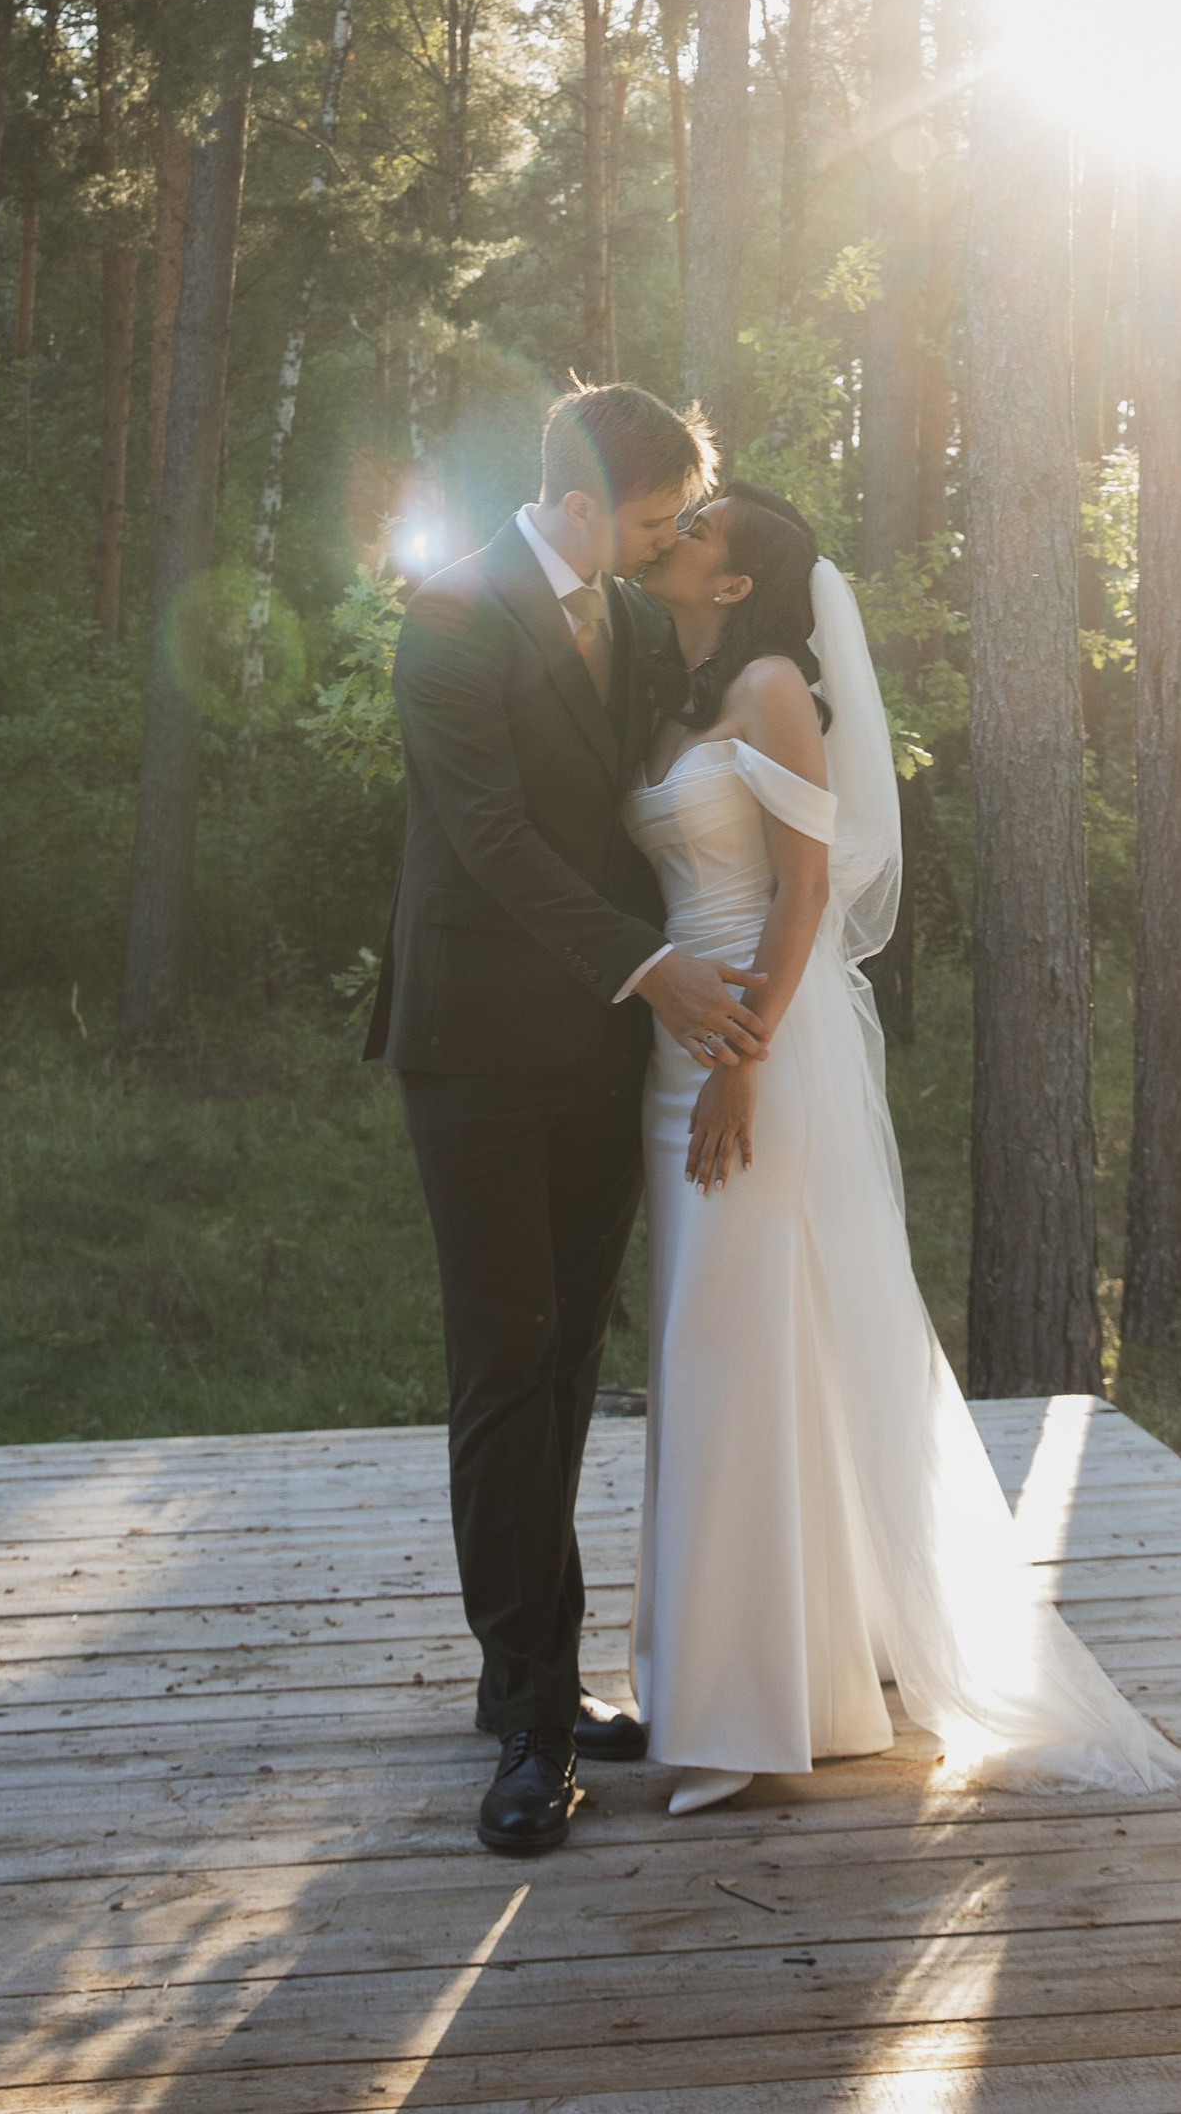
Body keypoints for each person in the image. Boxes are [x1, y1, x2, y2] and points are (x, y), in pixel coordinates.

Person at [623, 482, 1181, 1814]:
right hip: (682, 1048)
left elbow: (808, 887)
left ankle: (741, 1713)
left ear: (732, 582)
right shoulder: (674, 700)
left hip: (756, 1044)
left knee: (733, 1344)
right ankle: (793, 1685)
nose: (676, 535)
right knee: (726, 1346)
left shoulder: (769, 684)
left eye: (697, 528)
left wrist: (742, 1065)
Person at [366, 382, 768, 1856]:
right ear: (586, 500)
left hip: (604, 1055)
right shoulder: (450, 614)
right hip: (472, 1048)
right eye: (653, 522)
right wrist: (654, 968)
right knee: (502, 1362)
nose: (665, 548)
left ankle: (520, 1674)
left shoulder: (631, 622)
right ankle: (535, 1725)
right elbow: (488, 838)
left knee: (565, 1368)